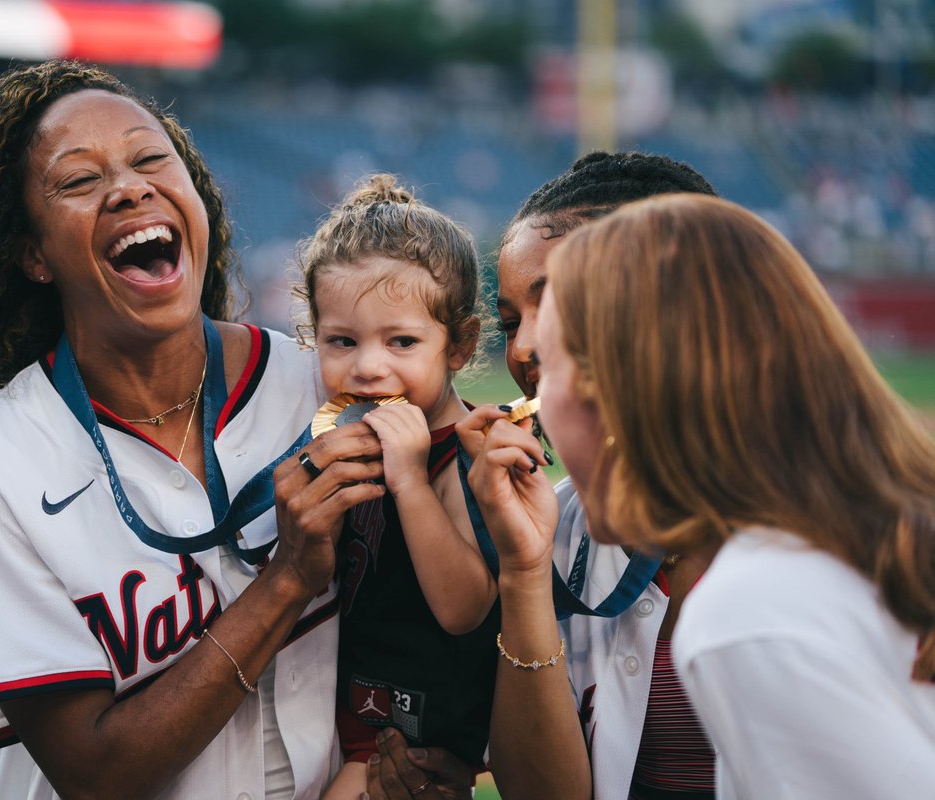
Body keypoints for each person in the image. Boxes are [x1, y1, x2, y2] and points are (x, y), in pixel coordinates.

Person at [0, 60, 386, 799]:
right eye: (79, 180)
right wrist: (284, 582)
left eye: (154, 160)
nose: (129, 186)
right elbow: (95, 774)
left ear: (196, 198)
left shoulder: (321, 388)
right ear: (33, 255)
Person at [528, 193, 935, 797]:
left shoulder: (749, 612)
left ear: (618, 392)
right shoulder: (863, 539)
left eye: (546, 366)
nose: (529, 401)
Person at [369, 151, 720, 800]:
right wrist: (525, 574)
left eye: (559, 305)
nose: (525, 348)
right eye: (510, 324)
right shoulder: (554, 531)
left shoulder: (871, 536)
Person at [291, 174, 500, 800]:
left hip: (414, 740)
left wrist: (409, 478)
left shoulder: (471, 454)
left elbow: (465, 609)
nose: (368, 366)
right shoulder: (340, 440)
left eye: (402, 342)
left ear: (459, 344)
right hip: (338, 709)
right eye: (341, 341)